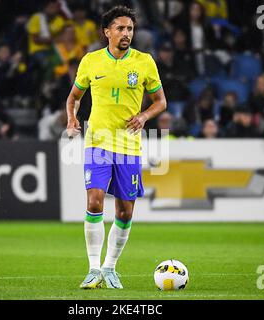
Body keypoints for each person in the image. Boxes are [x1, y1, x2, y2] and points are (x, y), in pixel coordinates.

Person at [66, 6, 166, 289]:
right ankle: (93, 269)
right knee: (94, 201)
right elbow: (73, 97)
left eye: (130, 29)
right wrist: (72, 119)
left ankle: (110, 268)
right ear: (106, 32)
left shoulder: (144, 62)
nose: (126, 34)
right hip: (97, 142)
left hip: (129, 147)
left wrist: (145, 116)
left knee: (124, 212)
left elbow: (160, 101)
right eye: (120, 28)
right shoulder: (91, 61)